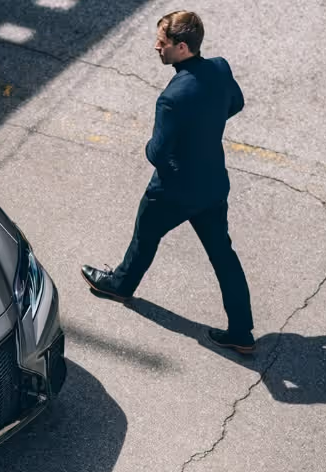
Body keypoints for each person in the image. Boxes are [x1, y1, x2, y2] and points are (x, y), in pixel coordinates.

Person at [80, 10, 256, 354]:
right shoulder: (219, 67)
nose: (156, 47)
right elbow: (236, 103)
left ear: (183, 47)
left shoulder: (172, 98)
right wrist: (204, 131)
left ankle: (119, 285)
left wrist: (161, 149)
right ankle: (241, 332)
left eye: (162, 42)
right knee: (223, 255)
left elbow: (157, 153)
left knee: (145, 235)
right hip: (212, 184)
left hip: (173, 190)